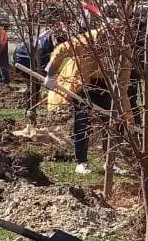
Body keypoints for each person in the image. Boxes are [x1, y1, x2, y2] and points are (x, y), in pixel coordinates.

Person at [44, 27, 132, 175]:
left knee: (111, 123)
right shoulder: (86, 40)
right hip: (84, 82)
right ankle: (81, 162)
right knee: (83, 121)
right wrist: (51, 74)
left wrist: (121, 97)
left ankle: (110, 161)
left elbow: (124, 75)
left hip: (108, 85)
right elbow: (60, 50)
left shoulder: (123, 48)